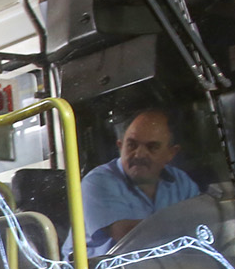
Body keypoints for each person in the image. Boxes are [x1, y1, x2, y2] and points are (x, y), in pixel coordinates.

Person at [80, 108, 199, 255]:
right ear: (120, 146)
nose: (139, 154)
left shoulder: (181, 182)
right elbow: (130, 236)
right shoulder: (97, 181)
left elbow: (206, 223)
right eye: (132, 145)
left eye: (152, 147)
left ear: (171, 153)